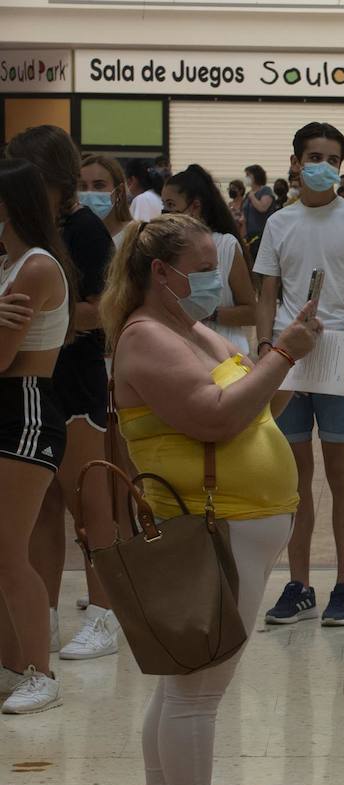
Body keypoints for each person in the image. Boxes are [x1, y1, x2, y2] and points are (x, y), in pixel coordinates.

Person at [104, 212, 319, 785]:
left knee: (181, 689)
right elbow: (217, 416)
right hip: (209, 526)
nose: (213, 282)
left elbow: (252, 404)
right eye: (201, 271)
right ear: (160, 274)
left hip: (238, 524)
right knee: (198, 691)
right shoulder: (146, 339)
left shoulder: (187, 328)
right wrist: (281, 353)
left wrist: (283, 361)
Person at [253, 122, 344, 624]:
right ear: (295, 161)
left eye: (331, 157)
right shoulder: (280, 223)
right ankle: (299, 584)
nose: (321, 164)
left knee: (340, 472)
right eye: (312, 155)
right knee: (294, 477)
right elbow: (267, 295)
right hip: (285, 364)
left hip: (338, 363)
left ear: (341, 165)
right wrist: (268, 348)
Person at [7, 125, 120, 662]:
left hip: (74, 377)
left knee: (86, 495)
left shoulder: (85, 230)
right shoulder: (27, 233)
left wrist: (50, 317)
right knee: (43, 506)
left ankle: (104, 611)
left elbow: (106, 304)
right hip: (36, 382)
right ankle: (44, 612)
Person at [0, 159, 75, 713]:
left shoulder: (34, 267)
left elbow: (2, 359)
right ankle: (11, 665)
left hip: (23, 408)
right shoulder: (7, 264)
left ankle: (40, 674)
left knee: (9, 552)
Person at [162, 164, 260, 365]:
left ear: (195, 206)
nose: (165, 213)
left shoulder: (225, 246)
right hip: (181, 355)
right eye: (164, 205)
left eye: (171, 205)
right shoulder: (163, 248)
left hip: (226, 357)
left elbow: (251, 312)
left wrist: (208, 313)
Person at [79, 154, 137, 251]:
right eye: (83, 187)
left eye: (99, 186)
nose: (89, 193)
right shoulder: (73, 236)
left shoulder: (135, 237)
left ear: (119, 192)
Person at [242, 165, 276, 264]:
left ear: (256, 176)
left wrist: (252, 197)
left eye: (248, 175)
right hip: (249, 236)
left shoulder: (265, 190)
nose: (246, 178)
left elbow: (262, 208)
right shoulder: (248, 194)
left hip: (262, 235)